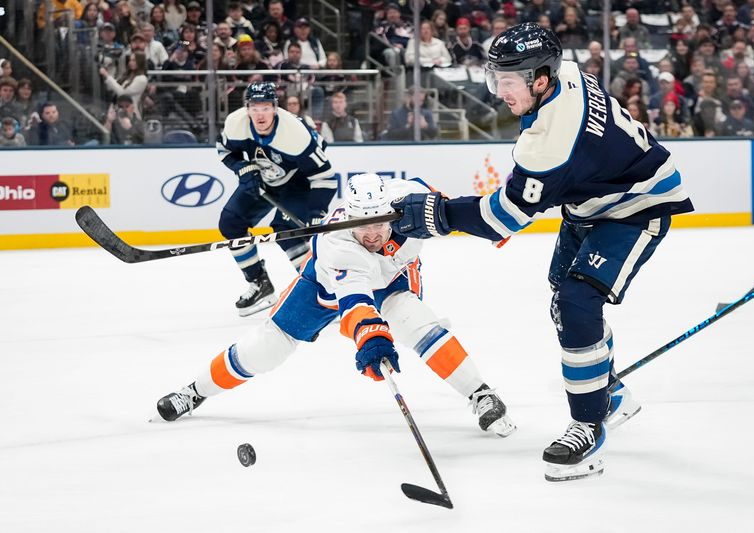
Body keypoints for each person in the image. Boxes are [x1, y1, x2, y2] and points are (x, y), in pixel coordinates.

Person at [390, 23, 694, 482]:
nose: (499, 93)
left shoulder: (552, 137)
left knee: (577, 302)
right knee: (563, 297)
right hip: (593, 199)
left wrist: (439, 214)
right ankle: (609, 394)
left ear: (539, 79)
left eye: (508, 83)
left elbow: (503, 219)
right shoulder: (564, 73)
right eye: (496, 80)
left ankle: (589, 424)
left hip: (637, 205)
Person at [153, 173, 516, 440]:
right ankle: (195, 391)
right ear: (350, 219)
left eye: (380, 224)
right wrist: (373, 339)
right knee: (267, 347)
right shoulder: (337, 244)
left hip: (391, 279)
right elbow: (355, 302)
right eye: (364, 227)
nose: (372, 235)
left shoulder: (413, 200)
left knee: (417, 323)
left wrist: (492, 226)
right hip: (325, 285)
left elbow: (454, 212)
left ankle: (481, 393)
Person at [216, 81, 336, 316]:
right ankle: (260, 283)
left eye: (265, 108)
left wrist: (316, 212)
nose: (260, 114)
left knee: (285, 231)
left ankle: (325, 291)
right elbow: (224, 150)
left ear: (275, 108)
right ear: (247, 108)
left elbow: (326, 177)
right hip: (263, 180)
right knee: (230, 222)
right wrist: (242, 167)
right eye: (254, 108)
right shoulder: (235, 124)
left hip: (299, 182)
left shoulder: (294, 135)